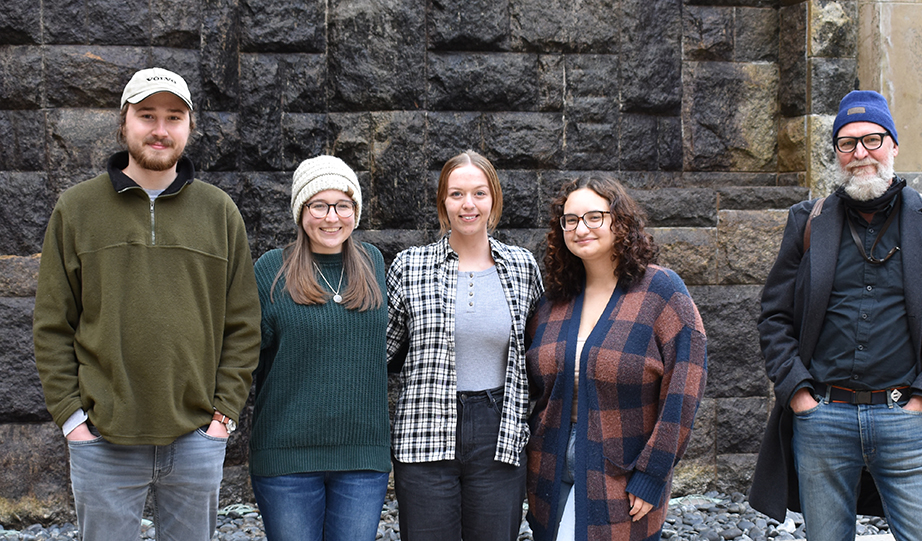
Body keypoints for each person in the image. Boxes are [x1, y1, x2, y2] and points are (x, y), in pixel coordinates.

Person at [32, 67, 261, 540]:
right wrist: (74, 421)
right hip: (103, 441)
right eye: (147, 115)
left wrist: (222, 418)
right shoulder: (76, 210)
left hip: (195, 440)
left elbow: (242, 325)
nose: (160, 129)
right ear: (124, 122)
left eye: (174, 117)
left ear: (189, 128)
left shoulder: (219, 213)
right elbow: (53, 325)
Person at [749, 90, 922, 540]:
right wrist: (800, 395)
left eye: (873, 139)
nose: (860, 153)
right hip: (823, 421)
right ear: (837, 154)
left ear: (894, 145)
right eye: (847, 143)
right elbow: (773, 316)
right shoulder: (808, 222)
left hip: (909, 421)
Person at [524, 175, 708, 541]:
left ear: (619, 221)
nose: (581, 228)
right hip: (550, 466)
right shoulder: (553, 302)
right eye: (570, 220)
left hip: (622, 469)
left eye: (594, 216)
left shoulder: (660, 290)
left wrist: (653, 472)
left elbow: (685, 386)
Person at [385, 150, 544, 541]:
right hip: (424, 428)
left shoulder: (523, 267)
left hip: (498, 430)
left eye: (479, 193)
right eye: (456, 194)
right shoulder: (410, 267)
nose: (468, 204)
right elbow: (379, 352)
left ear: (494, 200)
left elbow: (541, 352)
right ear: (443, 201)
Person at [250, 155, 391, 541]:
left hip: (362, 460)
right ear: (301, 211)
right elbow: (241, 355)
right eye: (319, 205)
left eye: (343, 205)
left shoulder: (373, 264)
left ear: (355, 211)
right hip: (286, 460)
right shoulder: (270, 269)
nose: (332, 217)